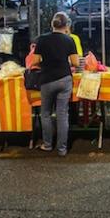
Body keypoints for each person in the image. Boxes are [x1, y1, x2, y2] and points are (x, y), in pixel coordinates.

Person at [32, 12, 79, 156]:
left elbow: (34, 61)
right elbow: (76, 62)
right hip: (64, 79)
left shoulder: (42, 40)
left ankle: (47, 145)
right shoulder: (69, 40)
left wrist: (45, 63)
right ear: (66, 25)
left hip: (47, 80)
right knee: (62, 114)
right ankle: (62, 149)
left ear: (52, 24)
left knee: (45, 113)